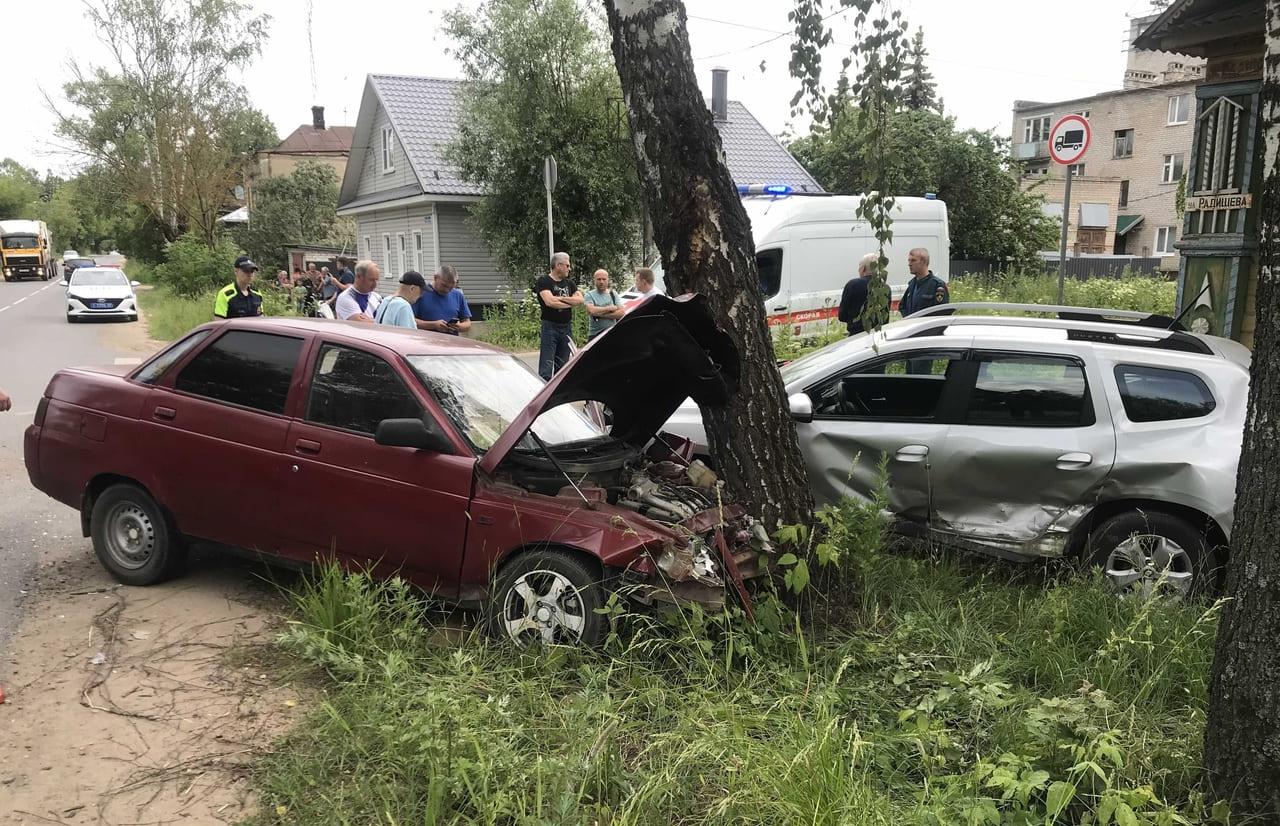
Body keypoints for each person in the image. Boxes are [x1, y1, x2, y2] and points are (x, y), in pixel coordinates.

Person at [535, 251, 583, 380]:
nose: (569, 268)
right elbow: (549, 302)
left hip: (566, 327)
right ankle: (544, 395)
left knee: (562, 366)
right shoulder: (544, 281)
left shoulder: (570, 283)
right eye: (567, 265)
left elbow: (580, 300)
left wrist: (560, 300)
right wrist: (569, 301)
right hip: (549, 327)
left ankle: (558, 396)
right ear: (558, 265)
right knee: (546, 365)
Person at [837, 252, 891, 336]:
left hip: (856, 336)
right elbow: (885, 317)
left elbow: (842, 316)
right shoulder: (885, 288)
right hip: (878, 336)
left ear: (863, 269)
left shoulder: (852, 285)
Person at [413, 264, 473, 335]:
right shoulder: (421, 292)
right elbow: (410, 321)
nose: (447, 290)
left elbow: (467, 323)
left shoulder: (458, 295)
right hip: (426, 343)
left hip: (452, 343)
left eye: (451, 287)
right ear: (435, 278)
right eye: (444, 285)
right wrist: (433, 325)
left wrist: (458, 327)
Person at [899, 247, 949, 317]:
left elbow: (942, 313)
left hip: (927, 327)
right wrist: (908, 320)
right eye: (909, 260)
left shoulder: (937, 285)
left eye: (913, 260)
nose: (909, 264)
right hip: (912, 326)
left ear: (924, 262)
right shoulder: (912, 284)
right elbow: (902, 306)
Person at [583, 268, 624, 340]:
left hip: (612, 333)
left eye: (604, 279)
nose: (601, 282)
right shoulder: (589, 295)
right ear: (594, 280)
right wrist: (609, 309)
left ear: (608, 280)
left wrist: (599, 314)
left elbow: (621, 313)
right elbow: (591, 311)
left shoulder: (613, 294)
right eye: (599, 279)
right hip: (595, 335)